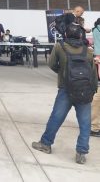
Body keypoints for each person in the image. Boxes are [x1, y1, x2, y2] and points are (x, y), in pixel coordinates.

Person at [32, 24, 97, 164]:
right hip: (84, 91)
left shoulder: (59, 47)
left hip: (65, 89)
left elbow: (51, 64)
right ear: (80, 35)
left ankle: (45, 144)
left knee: (56, 117)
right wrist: (92, 90)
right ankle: (81, 153)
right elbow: (92, 73)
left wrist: (63, 73)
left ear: (66, 34)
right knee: (85, 123)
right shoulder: (88, 50)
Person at [91, 18, 100, 137]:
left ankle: (95, 127)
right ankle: (95, 127)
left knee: (97, 98)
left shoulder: (96, 30)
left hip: (98, 62)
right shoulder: (96, 30)